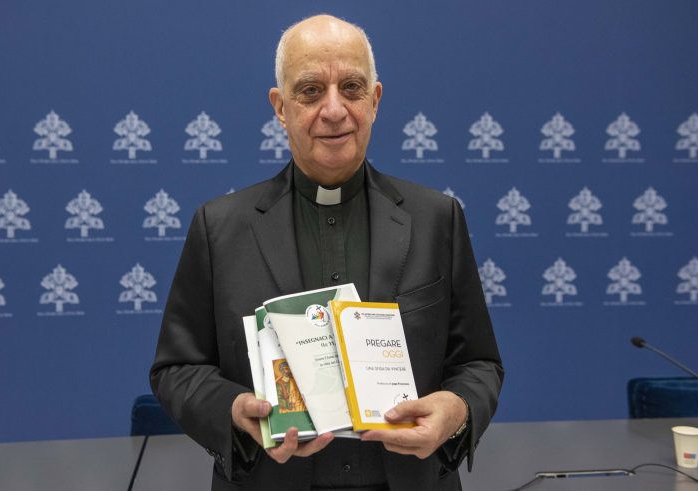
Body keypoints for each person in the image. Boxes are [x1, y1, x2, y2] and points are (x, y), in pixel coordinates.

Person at [150, 14, 503, 491]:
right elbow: (176, 370)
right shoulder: (220, 227)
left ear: (375, 100)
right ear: (280, 107)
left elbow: (479, 364)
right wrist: (232, 410)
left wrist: (456, 409)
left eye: (352, 88)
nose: (334, 110)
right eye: (311, 91)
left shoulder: (437, 218)